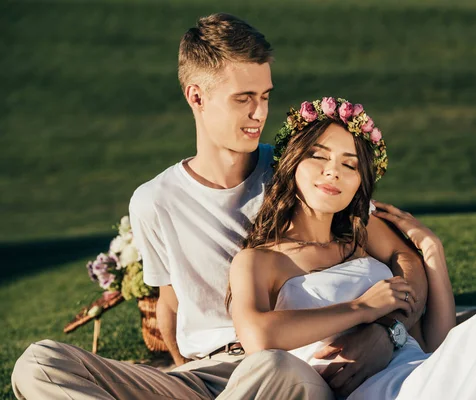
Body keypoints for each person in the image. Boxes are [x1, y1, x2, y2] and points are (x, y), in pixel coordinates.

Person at [12, 14, 431, 399]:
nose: (259, 113)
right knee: (39, 365)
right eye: (243, 98)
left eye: (265, 96)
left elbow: (400, 256)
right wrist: (179, 368)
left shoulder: (297, 169)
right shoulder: (153, 201)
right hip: (202, 375)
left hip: (288, 364)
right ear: (197, 96)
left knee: (270, 367)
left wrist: (387, 331)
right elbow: (170, 304)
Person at [228, 97, 476, 399]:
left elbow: (434, 338)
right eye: (319, 156)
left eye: (350, 164)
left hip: (421, 369)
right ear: (292, 163)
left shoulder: (360, 238)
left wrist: (432, 249)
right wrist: (362, 308)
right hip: (377, 390)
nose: (333, 172)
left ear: (361, 182)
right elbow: (259, 335)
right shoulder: (260, 260)